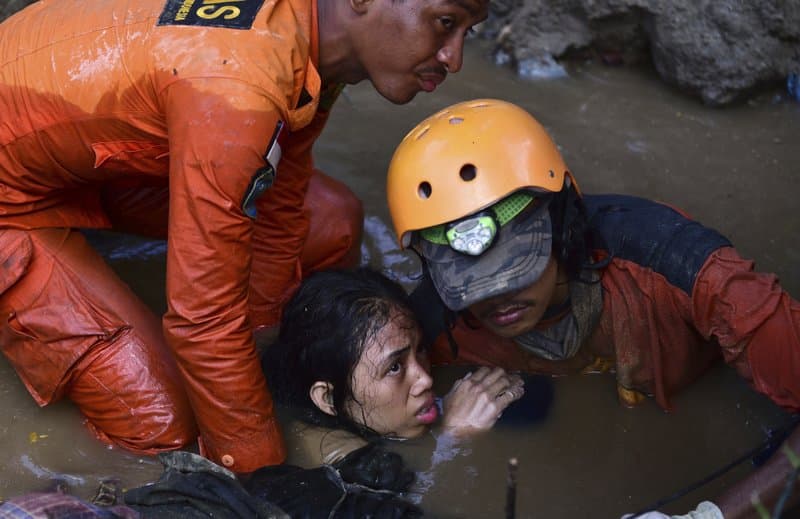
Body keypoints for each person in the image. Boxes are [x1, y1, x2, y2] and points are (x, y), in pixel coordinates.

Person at [0, 0, 489, 474]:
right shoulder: (241, 85)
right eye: (445, 22)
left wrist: (266, 356)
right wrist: (259, 474)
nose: (455, 57)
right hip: (13, 197)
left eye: (470, 30)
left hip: (89, 162)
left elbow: (279, 208)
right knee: (161, 424)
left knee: (332, 222)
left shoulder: (311, 47)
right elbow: (202, 320)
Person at [384, 98, 800, 518]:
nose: (496, 299)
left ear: (563, 224)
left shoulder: (688, 273)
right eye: (470, 284)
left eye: (516, 270)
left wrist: (716, 515)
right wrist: (449, 438)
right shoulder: (432, 325)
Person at [262, 267, 526, 467]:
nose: (425, 379)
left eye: (420, 349)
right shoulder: (340, 458)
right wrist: (452, 440)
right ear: (329, 398)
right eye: (395, 367)